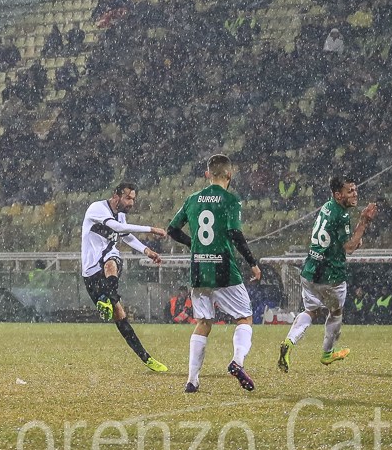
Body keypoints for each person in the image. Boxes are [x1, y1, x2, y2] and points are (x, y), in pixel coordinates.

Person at [167, 154, 261, 393]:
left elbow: (172, 230)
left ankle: (192, 380)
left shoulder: (193, 199)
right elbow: (235, 234)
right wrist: (252, 262)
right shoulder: (230, 199)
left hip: (199, 268)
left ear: (207, 174)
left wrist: (194, 244)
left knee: (203, 323)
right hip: (223, 267)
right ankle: (237, 361)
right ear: (229, 174)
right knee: (244, 318)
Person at [278, 176, 376, 372]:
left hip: (310, 270)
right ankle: (327, 353)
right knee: (336, 312)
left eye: (355, 189)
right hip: (330, 276)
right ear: (338, 195)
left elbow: (338, 240)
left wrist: (353, 239)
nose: (355, 194)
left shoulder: (327, 207)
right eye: (350, 191)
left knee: (310, 311)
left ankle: (289, 342)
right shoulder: (342, 215)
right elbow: (349, 247)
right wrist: (363, 222)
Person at [81, 183, 169, 372]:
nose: (131, 203)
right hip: (90, 271)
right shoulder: (97, 208)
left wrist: (147, 251)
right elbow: (117, 227)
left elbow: (126, 235)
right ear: (116, 195)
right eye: (128, 198)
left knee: (112, 261)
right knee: (119, 315)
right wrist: (151, 229)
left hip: (107, 263)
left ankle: (147, 358)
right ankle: (106, 299)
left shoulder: (120, 215)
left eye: (133, 199)